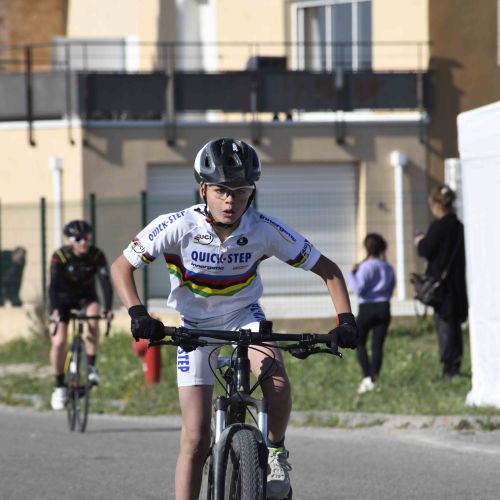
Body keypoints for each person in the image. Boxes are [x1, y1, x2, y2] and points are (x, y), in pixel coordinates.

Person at [111, 137, 359, 500]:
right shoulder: (176, 225)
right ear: (203, 190)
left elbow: (330, 271)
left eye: (241, 192)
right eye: (221, 191)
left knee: (276, 380)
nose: (231, 201)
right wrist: (137, 312)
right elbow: (121, 267)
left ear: (251, 192)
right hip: (194, 326)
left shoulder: (263, 228)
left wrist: (346, 320)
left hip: (244, 315)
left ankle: (275, 452)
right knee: (195, 439)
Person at [48, 220, 113, 410]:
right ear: (70, 241)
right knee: (59, 341)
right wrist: (54, 310)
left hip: (86, 298)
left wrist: (108, 309)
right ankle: (59, 385)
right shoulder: (60, 256)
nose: (83, 242)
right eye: (78, 239)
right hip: (62, 300)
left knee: (93, 316)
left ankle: (91, 366)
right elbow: (53, 285)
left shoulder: (96, 255)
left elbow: (105, 282)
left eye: (86, 237)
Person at [414, 185, 468, 379]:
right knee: (455, 327)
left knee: (445, 326)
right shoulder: (460, 227)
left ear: (437, 205)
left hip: (442, 287)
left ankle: (449, 369)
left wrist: (420, 241)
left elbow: (426, 250)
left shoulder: (438, 227)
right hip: (458, 283)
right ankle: (456, 365)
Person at [347, 234, 395, 394]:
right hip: (384, 307)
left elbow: (358, 289)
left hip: (367, 307)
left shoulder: (365, 267)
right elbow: (391, 287)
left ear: (366, 248)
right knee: (377, 346)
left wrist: (351, 274)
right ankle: (374, 378)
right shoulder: (387, 267)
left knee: (359, 342)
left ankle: (367, 376)